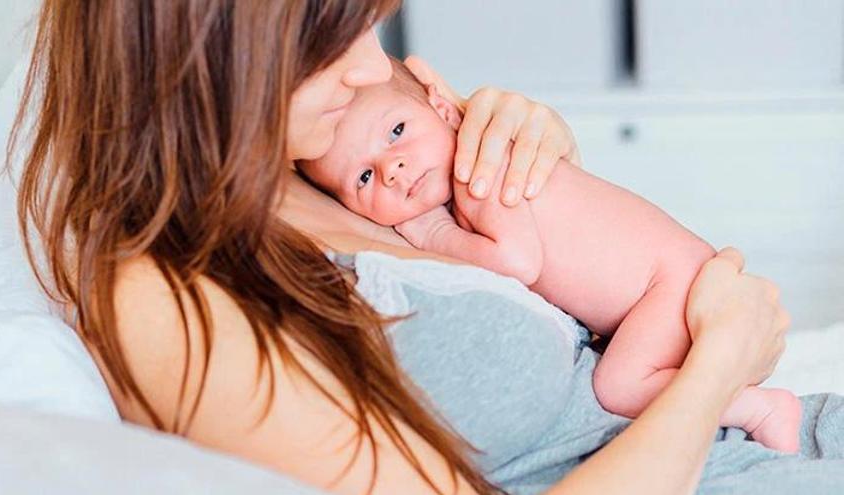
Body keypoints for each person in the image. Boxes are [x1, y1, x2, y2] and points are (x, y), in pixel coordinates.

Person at [12, 1, 844, 494]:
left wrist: (534, 156)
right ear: (218, 50)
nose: (373, 66)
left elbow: (564, 284)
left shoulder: (326, 162)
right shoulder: (170, 295)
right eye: (330, 42)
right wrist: (720, 364)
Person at [296, 60, 802, 452]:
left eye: (397, 131)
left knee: (619, 386)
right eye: (363, 177)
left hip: (669, 284)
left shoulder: (481, 178)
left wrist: (431, 232)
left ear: (444, 110)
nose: (393, 168)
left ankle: (758, 410)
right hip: (665, 283)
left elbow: (518, 265)